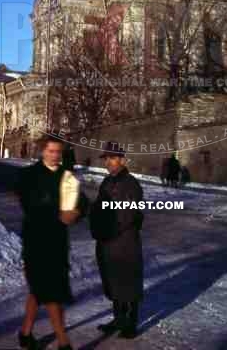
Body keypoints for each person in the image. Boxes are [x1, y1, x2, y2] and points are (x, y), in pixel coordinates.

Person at [17, 135, 81, 350]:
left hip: (58, 243)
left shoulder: (67, 177)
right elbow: (31, 205)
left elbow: (83, 202)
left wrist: (77, 212)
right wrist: (59, 213)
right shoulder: (28, 176)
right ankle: (63, 342)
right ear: (43, 151)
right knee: (52, 292)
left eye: (58, 152)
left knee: (38, 290)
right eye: (51, 151)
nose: (55, 156)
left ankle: (25, 334)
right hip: (36, 243)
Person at [89, 141, 144, 339]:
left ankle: (131, 323)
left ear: (121, 160)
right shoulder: (107, 182)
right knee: (113, 282)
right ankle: (118, 319)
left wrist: (110, 231)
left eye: (112, 158)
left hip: (124, 241)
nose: (108, 163)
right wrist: (95, 224)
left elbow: (129, 215)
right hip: (107, 241)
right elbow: (99, 208)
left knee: (128, 282)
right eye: (106, 159)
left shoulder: (130, 184)